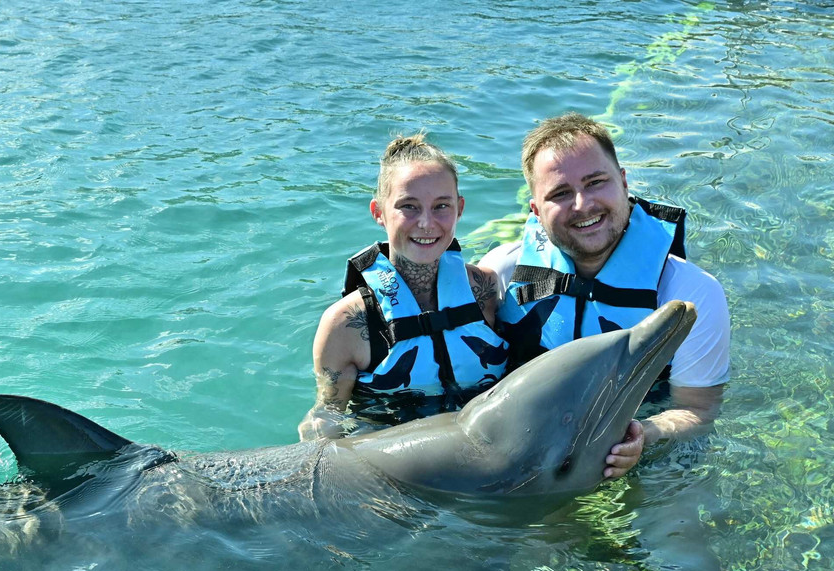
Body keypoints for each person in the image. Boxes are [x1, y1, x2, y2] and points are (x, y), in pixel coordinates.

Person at [480, 112, 730, 479]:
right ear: (535, 209)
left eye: (596, 182)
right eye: (560, 193)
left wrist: (646, 435)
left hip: (641, 453)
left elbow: (697, 412)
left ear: (624, 182)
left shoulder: (691, 292)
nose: (583, 205)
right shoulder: (503, 274)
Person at [298, 134, 506, 440]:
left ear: (460, 208)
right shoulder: (346, 325)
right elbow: (325, 420)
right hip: (396, 468)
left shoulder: (487, 291)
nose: (426, 223)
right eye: (408, 206)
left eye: (441, 206)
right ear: (378, 212)